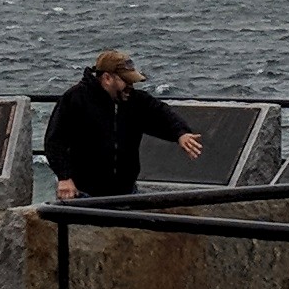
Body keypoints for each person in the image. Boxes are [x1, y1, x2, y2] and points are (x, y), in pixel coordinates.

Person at [45, 48, 206, 201]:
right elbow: (54, 141)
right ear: (107, 78)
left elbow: (161, 115)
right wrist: (64, 177)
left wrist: (181, 134)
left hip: (127, 193)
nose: (130, 87)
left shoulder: (135, 100)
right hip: (84, 195)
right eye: (126, 81)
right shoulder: (75, 99)